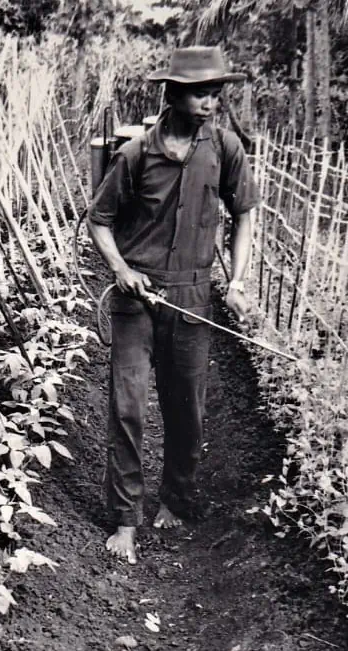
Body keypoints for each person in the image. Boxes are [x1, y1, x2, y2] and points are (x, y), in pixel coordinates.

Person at [87, 46, 260, 564]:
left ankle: (176, 500)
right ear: (173, 94)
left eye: (215, 93)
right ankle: (125, 519)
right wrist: (121, 270)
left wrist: (237, 281)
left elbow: (245, 213)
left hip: (193, 296)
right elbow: (99, 220)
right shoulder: (136, 154)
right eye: (200, 93)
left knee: (187, 405)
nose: (210, 103)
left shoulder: (225, 148)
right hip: (136, 296)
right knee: (128, 406)